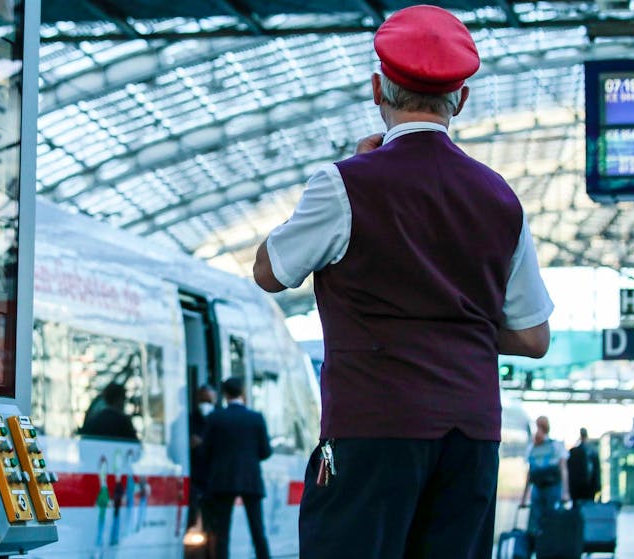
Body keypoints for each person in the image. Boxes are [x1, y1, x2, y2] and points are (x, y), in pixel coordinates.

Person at [252, 5, 553, 558]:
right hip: (471, 438)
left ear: (376, 89)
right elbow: (534, 338)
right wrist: (456, 322)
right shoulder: (499, 198)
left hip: (371, 431)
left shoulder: (346, 185)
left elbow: (269, 272)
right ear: (461, 99)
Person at [202, 377, 272, 559]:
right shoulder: (256, 418)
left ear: (224, 394)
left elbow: (204, 451)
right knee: (258, 531)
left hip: (222, 480)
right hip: (250, 479)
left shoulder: (215, 418)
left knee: (222, 532)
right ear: (242, 392)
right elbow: (265, 451)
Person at [522, 416, 569, 540]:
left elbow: (563, 469)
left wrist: (565, 492)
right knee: (545, 520)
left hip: (548, 488)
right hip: (543, 488)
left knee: (545, 520)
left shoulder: (553, 446)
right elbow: (530, 473)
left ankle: (544, 546)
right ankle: (544, 546)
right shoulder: (534, 447)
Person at [188, 384, 217, 529]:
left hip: (215, 480)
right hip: (196, 478)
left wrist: (204, 443)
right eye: (202, 400)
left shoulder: (220, 419)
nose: (205, 404)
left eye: (208, 400)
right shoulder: (188, 421)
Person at [567, 427, 601, 504]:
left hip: (577, 487)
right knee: (588, 508)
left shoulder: (573, 452)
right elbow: (597, 471)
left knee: (578, 508)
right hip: (589, 487)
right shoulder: (593, 451)